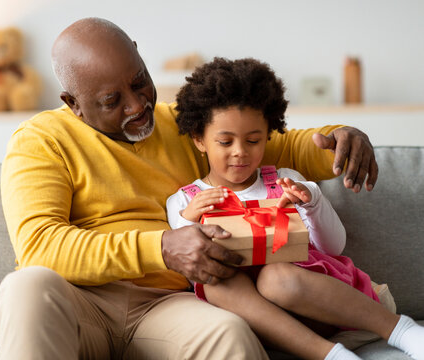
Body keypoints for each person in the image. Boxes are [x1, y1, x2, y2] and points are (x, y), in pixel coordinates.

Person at [0, 17, 383, 360]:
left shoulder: (181, 125)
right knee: (25, 287)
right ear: (73, 103)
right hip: (81, 302)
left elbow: (275, 145)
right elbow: (39, 245)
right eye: (112, 101)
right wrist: (163, 247)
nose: (136, 106)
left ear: (139, 56)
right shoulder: (41, 140)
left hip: (168, 306)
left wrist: (336, 137)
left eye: (139, 82)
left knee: (228, 334)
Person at [166, 57, 424, 360]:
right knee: (216, 284)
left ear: (268, 136)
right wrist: (190, 222)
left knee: (275, 278)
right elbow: (192, 271)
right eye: (225, 141)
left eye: (253, 140)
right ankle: (332, 356)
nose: (240, 152)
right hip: (267, 325)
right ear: (200, 140)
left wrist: (311, 201)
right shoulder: (184, 201)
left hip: (321, 304)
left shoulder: (285, 181)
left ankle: (400, 329)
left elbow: (333, 246)